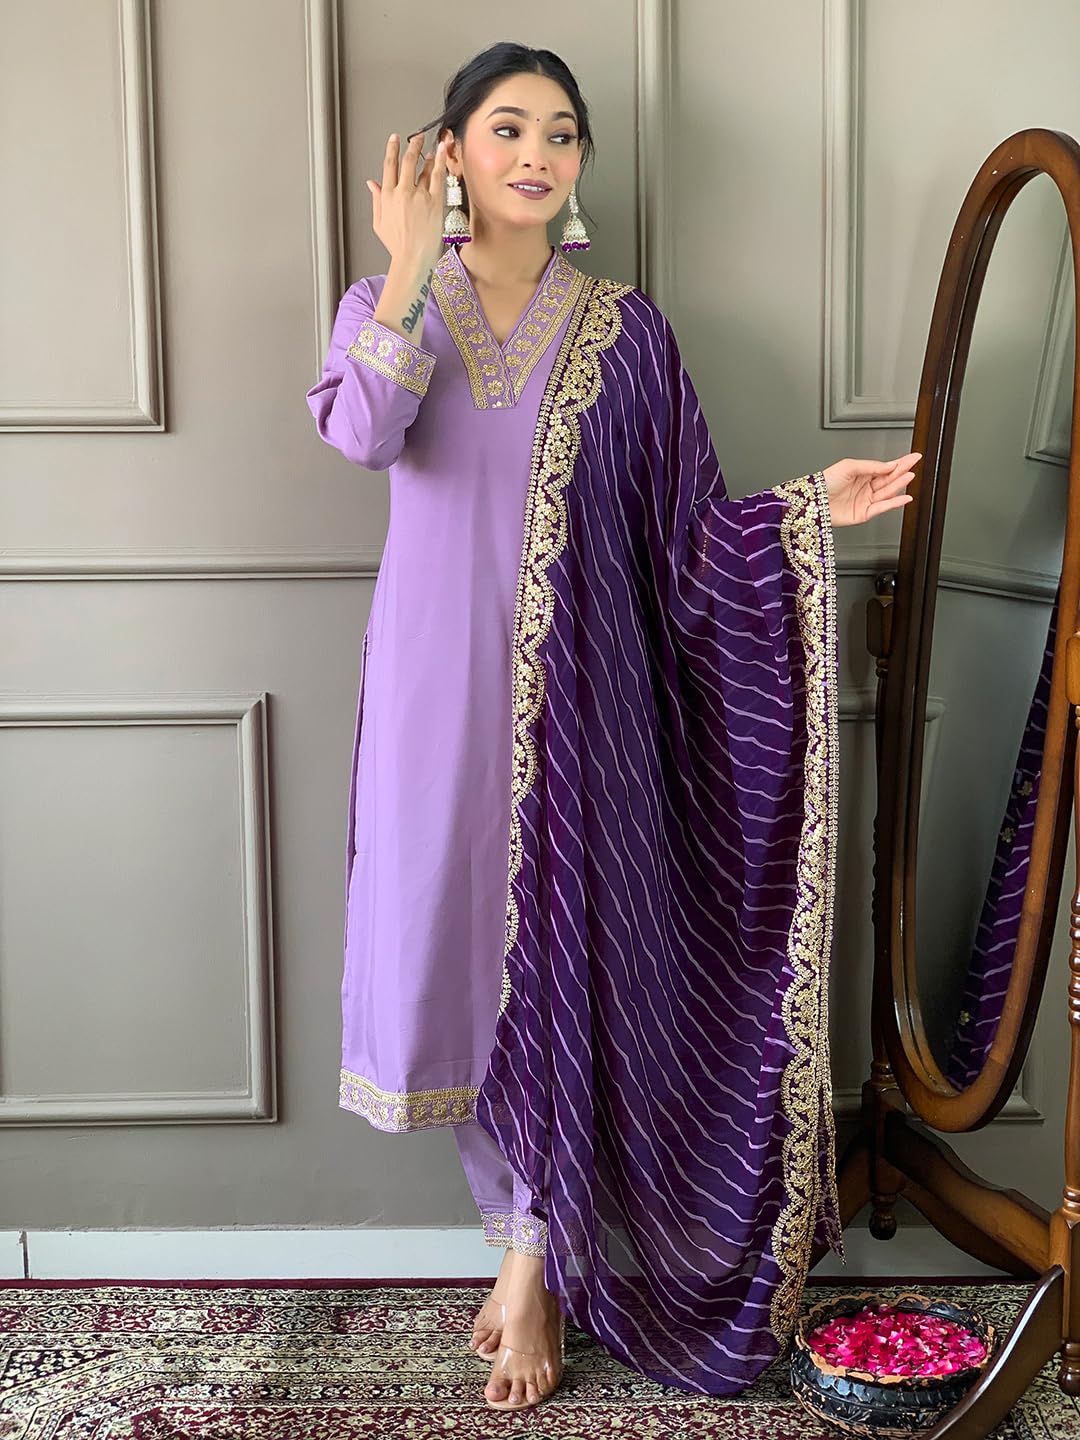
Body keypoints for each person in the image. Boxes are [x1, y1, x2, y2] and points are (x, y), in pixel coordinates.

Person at [306, 41, 918, 1414]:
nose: (537, 154)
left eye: (562, 133)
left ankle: (533, 1261)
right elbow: (359, 434)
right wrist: (403, 262)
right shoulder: (392, 301)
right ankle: (512, 1231)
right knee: (452, 971)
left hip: (590, 706)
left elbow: (687, 538)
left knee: (566, 958)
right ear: (452, 151)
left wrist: (808, 509)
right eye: (507, 128)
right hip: (430, 696)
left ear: (580, 164)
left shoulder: (629, 335)